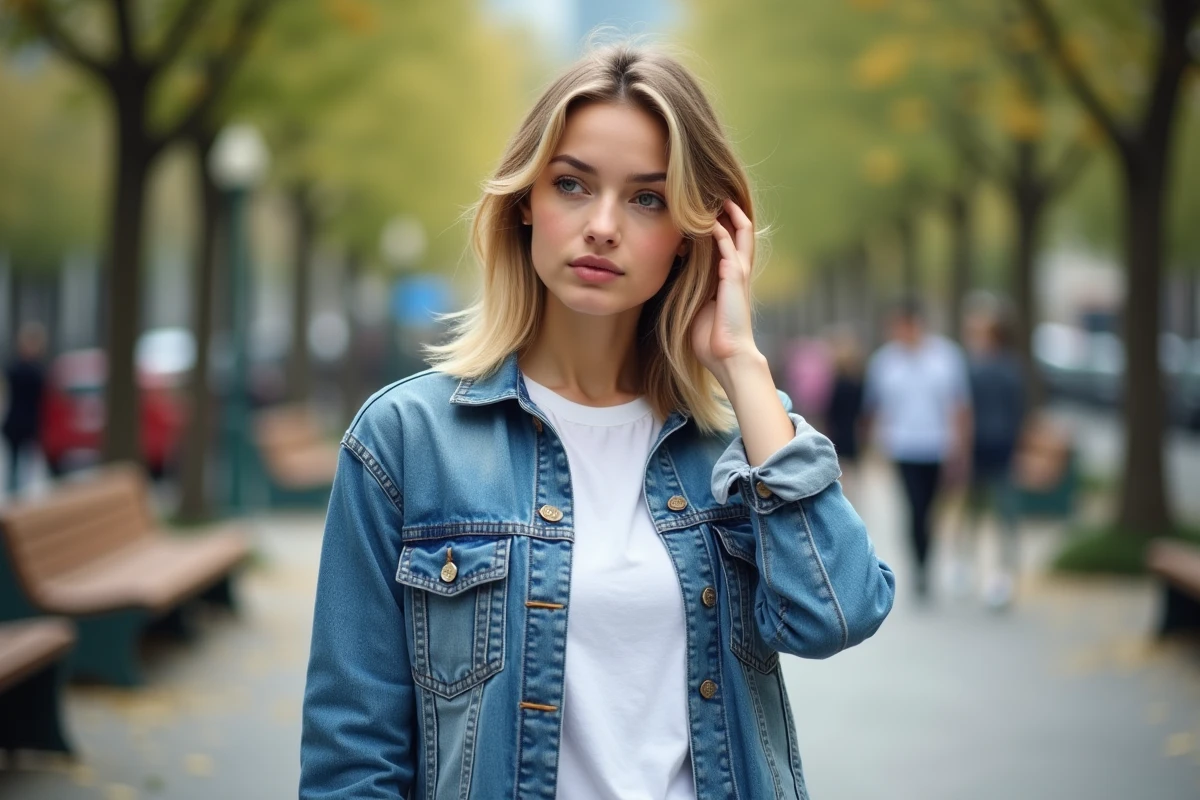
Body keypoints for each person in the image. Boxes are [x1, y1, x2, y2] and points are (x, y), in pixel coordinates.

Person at [300, 42, 895, 800]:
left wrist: (742, 365)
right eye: (572, 184)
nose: (603, 225)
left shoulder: (738, 443)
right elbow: (353, 757)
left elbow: (838, 614)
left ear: (695, 234)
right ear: (526, 201)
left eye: (647, 199)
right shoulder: (406, 441)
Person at [863, 297, 971, 601]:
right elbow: (875, 407)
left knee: (932, 510)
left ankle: (927, 557)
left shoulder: (946, 357)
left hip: (938, 446)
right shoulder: (885, 362)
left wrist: (961, 448)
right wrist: (874, 445)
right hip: (902, 446)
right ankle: (919, 565)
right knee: (914, 507)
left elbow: (959, 405)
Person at [961, 304, 1025, 610]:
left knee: (983, 509)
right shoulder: (1011, 368)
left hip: (987, 447)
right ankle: (999, 570)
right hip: (999, 446)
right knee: (995, 510)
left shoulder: (975, 368)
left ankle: (978, 568)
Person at [3, 322, 48, 497]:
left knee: (23, 467)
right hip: (25, 423)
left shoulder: (15, 368)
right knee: (22, 467)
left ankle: (18, 496)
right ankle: (18, 497)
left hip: (20, 423)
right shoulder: (35, 370)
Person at [822, 328, 866, 504]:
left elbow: (830, 410)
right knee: (851, 471)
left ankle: (843, 499)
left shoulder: (838, 383)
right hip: (853, 431)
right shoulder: (858, 382)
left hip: (839, 430)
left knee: (841, 468)